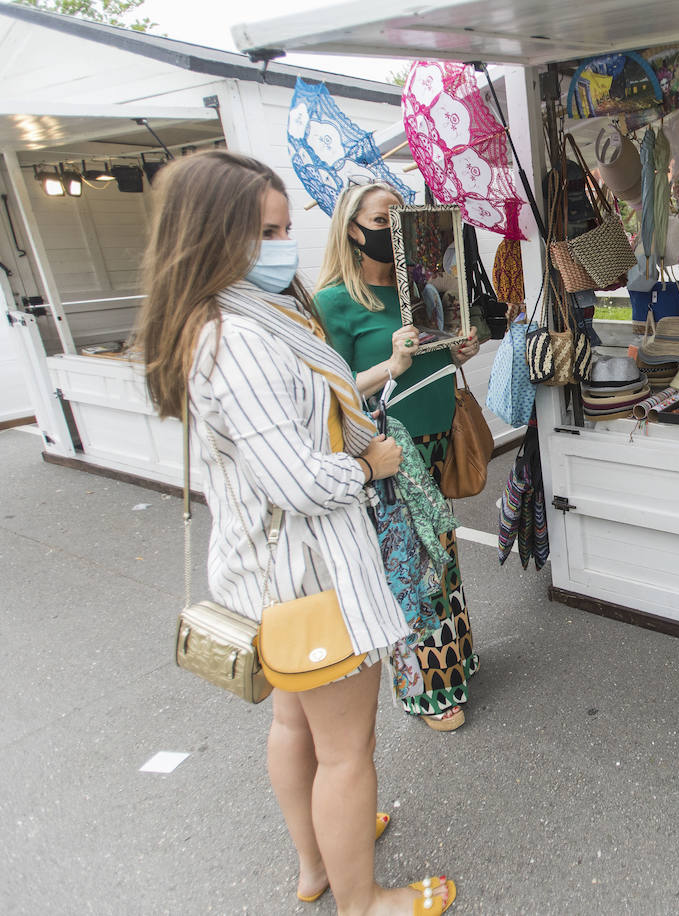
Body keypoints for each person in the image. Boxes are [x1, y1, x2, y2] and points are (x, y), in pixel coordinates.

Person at [138, 151, 455, 914]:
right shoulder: (242, 338)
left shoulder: (227, 319)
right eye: (264, 233)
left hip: (269, 572)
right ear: (213, 238)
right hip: (310, 576)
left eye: (284, 228)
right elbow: (300, 480)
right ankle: (362, 899)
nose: (281, 246)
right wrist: (373, 466)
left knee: (296, 724)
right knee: (347, 751)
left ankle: (318, 864)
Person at [315, 181, 482, 732]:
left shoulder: (423, 292)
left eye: (401, 217)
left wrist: (454, 348)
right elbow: (328, 396)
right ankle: (426, 689)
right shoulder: (335, 302)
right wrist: (390, 365)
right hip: (391, 453)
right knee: (410, 569)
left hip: (437, 439)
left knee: (443, 559)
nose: (394, 230)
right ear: (352, 229)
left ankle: (454, 664)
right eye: (383, 220)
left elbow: (431, 354)